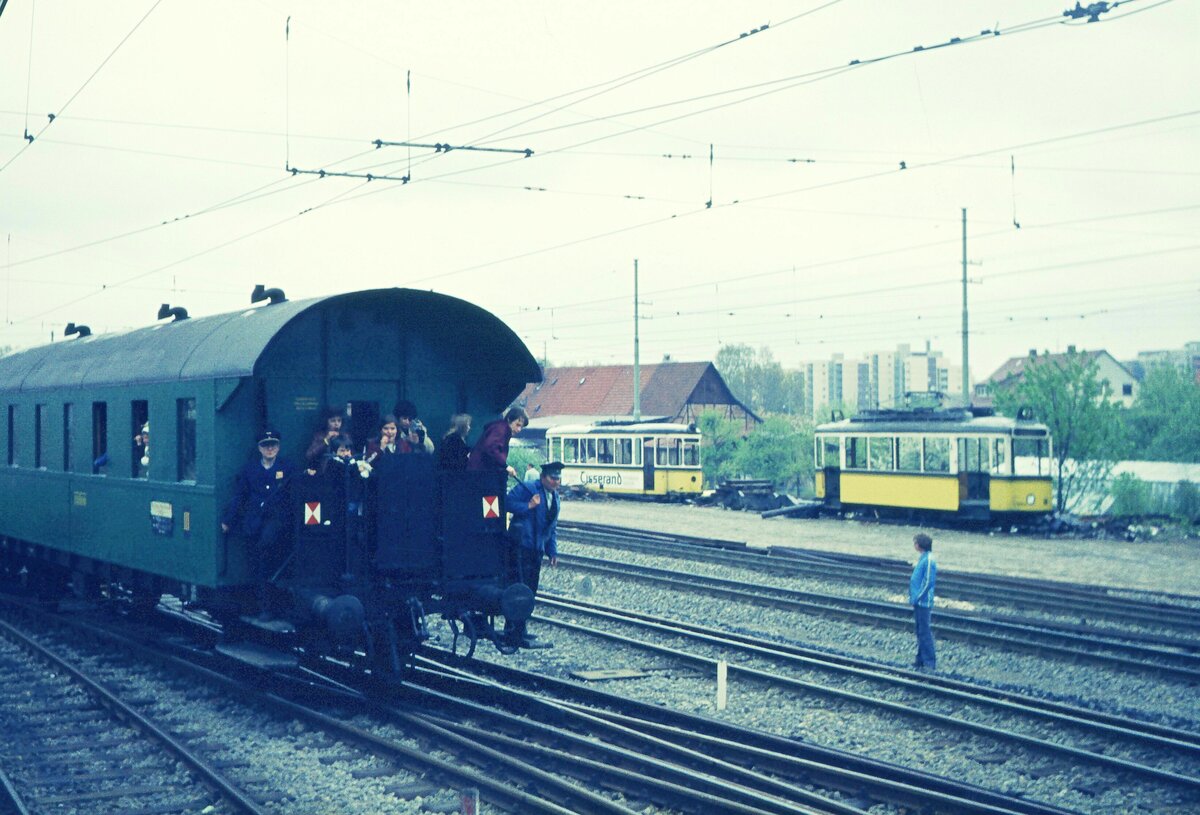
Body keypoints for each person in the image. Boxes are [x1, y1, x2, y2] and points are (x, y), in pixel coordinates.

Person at [220, 430, 298, 620]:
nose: (270, 449)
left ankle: (271, 607)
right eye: (266, 445)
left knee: (267, 554)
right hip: (254, 523)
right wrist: (228, 520)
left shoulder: (287, 467)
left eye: (273, 445)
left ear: (278, 447)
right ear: (259, 448)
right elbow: (240, 496)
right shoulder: (250, 469)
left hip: (278, 522)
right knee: (258, 566)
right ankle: (263, 606)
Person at [503, 460, 563, 648]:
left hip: (536, 550)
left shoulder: (555, 498)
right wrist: (528, 506)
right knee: (518, 587)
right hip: (521, 547)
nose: (556, 482)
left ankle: (521, 628)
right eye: (553, 478)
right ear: (543, 478)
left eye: (558, 479)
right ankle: (512, 629)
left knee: (530, 589)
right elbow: (506, 502)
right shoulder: (528, 488)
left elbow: (551, 528)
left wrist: (552, 550)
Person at [467, 407, 528, 478]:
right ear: (509, 420)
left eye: (521, 427)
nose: (519, 429)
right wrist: (506, 466)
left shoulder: (500, 428)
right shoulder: (501, 430)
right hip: (480, 472)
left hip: (478, 471)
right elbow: (491, 448)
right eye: (517, 425)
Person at [910, 532, 937, 672]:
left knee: (924, 631)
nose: (914, 545)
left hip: (923, 602)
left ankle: (929, 662)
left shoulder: (928, 561)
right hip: (919, 601)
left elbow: (928, 582)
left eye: (915, 542)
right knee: (920, 631)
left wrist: (917, 597)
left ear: (919, 545)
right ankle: (920, 659)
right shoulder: (924, 558)